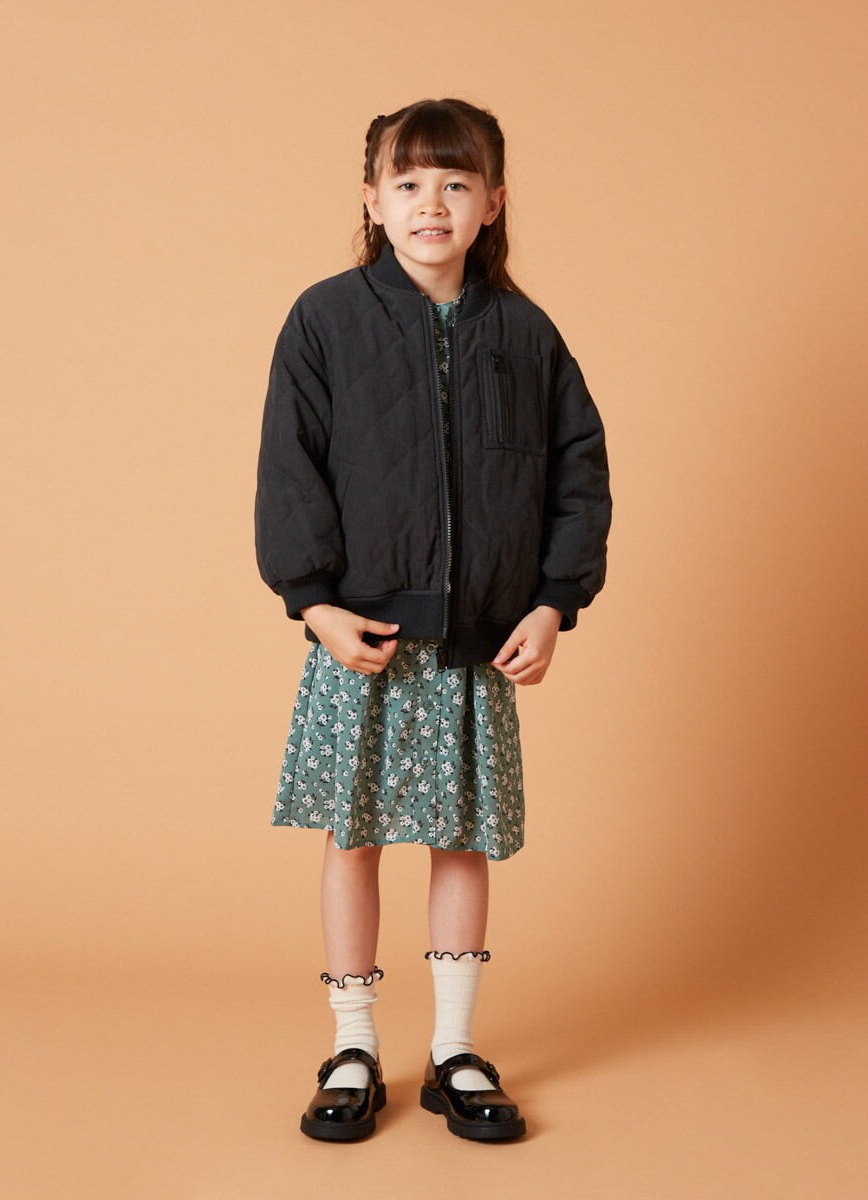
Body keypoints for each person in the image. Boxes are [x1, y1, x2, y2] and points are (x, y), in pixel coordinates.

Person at [254, 97, 612, 1142]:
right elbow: (289, 467)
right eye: (407, 183)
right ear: (371, 201)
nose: (431, 204)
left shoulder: (527, 336)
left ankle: (455, 1047)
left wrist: (553, 601)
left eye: (456, 183)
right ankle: (353, 1043)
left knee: (462, 843)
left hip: (475, 641)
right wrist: (314, 601)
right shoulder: (324, 320)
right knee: (354, 836)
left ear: (493, 202)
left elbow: (578, 473)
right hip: (361, 639)